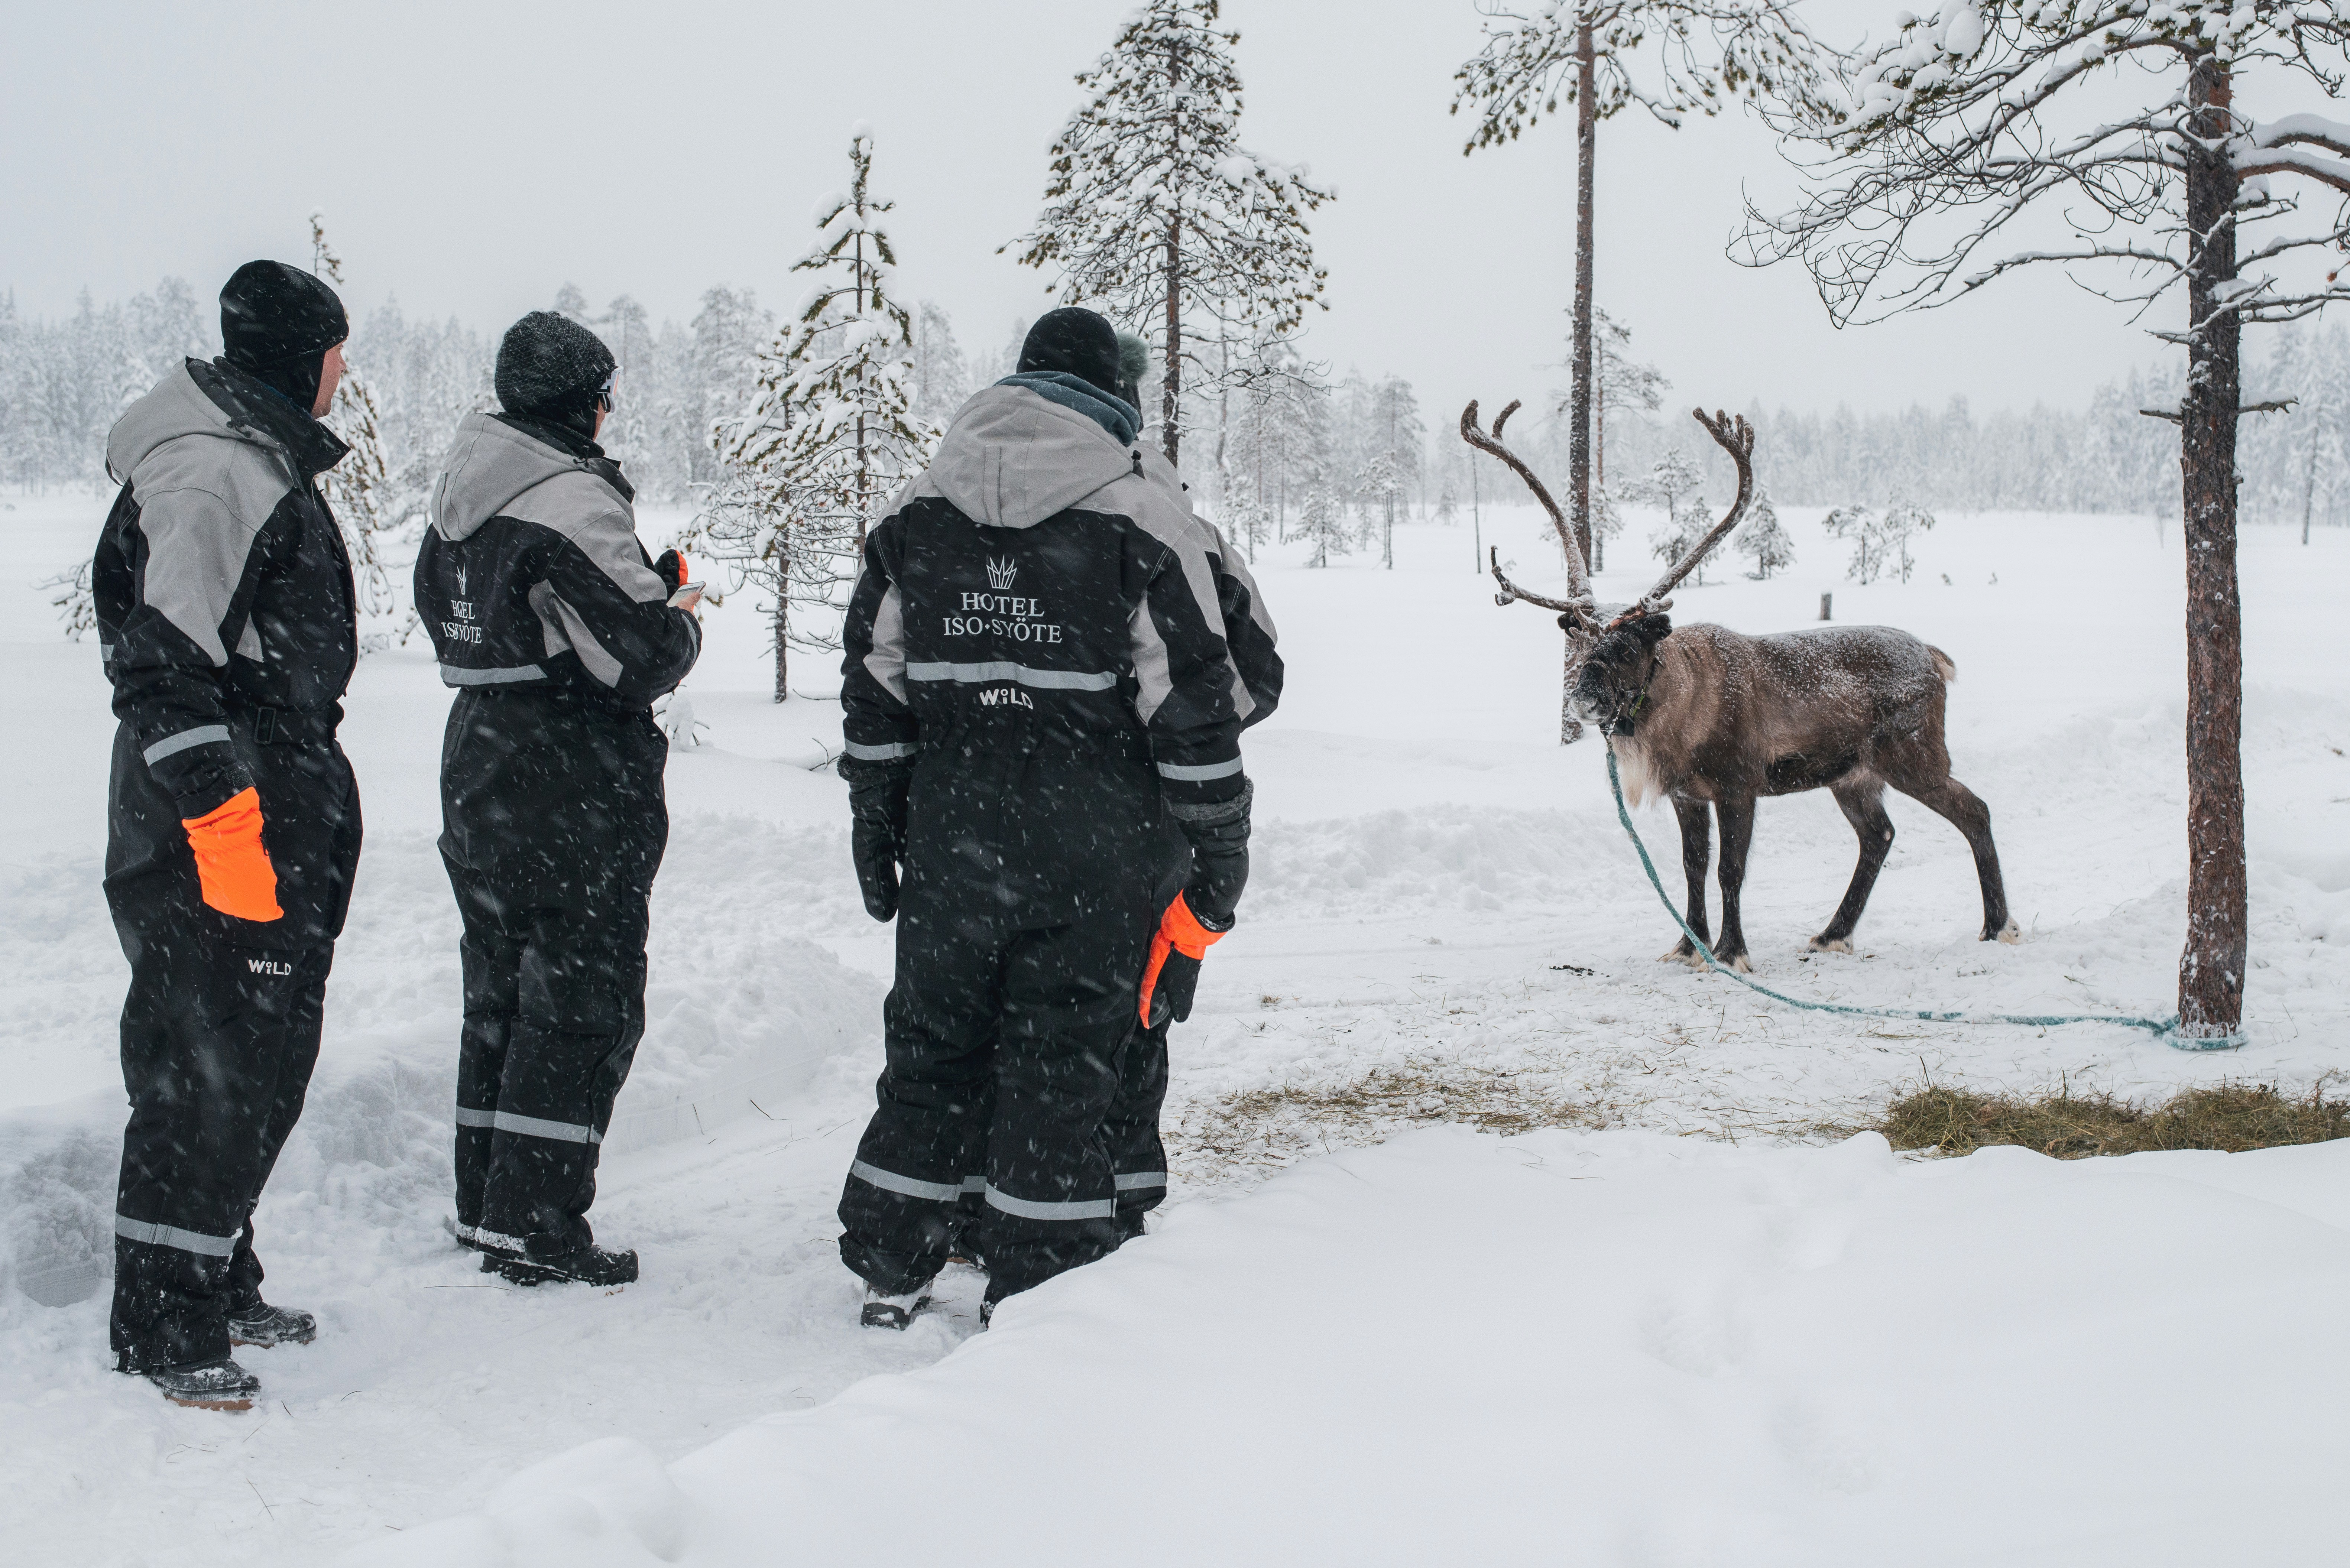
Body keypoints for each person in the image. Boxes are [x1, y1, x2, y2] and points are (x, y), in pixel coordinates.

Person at [835, 305, 1281, 1327]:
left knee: (936, 1039)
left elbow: (877, 679)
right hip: (1099, 828)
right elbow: (1210, 700)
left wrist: (876, 810)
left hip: (954, 820)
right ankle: (1040, 1283)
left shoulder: (917, 512)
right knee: (1064, 1049)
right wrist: (1220, 842)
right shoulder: (1144, 517)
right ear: (1115, 400)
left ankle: (894, 1256)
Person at [95, 260, 362, 1410]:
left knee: (252, 1056)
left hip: (262, 786)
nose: (345, 378)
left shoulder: (248, 457)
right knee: (206, 1059)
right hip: (223, 804)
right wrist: (226, 824)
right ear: (298, 358)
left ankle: (214, 1272)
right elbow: (164, 668)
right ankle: (164, 1323)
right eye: (337, 356)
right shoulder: (217, 474)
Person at [414, 312, 702, 1288]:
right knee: (581, 992)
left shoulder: (465, 486)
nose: (612, 411)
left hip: (479, 753)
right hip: (568, 766)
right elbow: (639, 655)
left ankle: (487, 1201)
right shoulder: (571, 497)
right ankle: (536, 1224)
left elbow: (472, 607)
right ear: (583, 397)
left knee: (498, 982)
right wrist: (675, 612)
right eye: (606, 393)